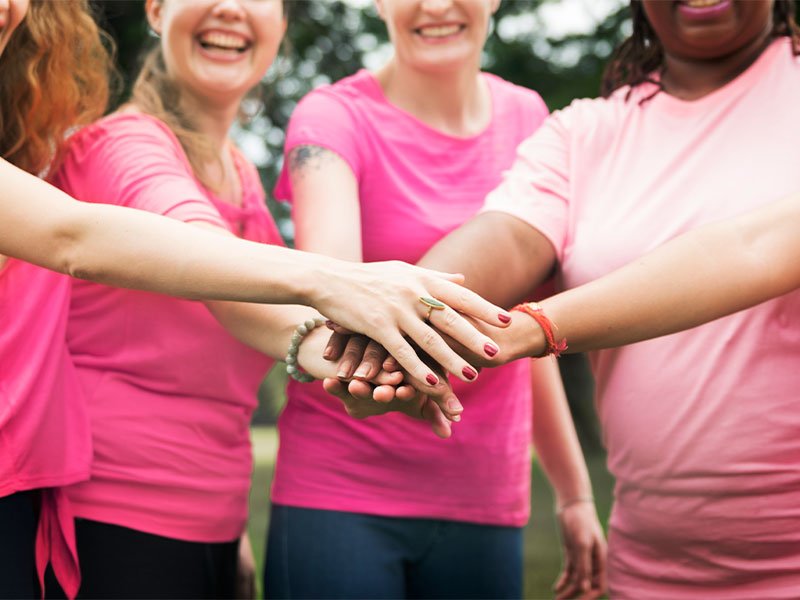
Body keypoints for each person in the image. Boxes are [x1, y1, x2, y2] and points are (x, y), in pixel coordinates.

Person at [0, 1, 509, 597]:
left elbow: (260, 322)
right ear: (157, 11)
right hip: (113, 519)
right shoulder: (122, 145)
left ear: (282, 27)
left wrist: (367, 362)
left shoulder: (240, 169)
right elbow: (214, 272)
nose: (231, 7)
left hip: (209, 520)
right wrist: (342, 292)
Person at [401, 0, 800, 596]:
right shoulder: (584, 131)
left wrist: (535, 326)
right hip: (651, 565)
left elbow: (753, 249)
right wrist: (399, 322)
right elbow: (508, 235)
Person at [265, 1, 606, 598]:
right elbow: (334, 291)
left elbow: (519, 327)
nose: (436, 5)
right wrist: (380, 378)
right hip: (340, 489)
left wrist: (574, 492)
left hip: (485, 494)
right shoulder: (332, 118)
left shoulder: (528, 115)